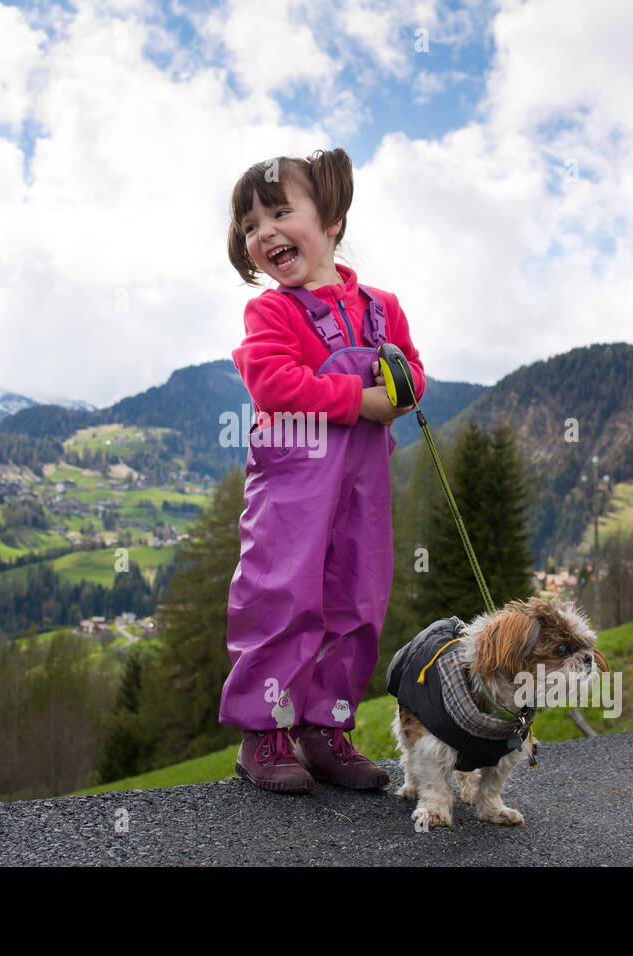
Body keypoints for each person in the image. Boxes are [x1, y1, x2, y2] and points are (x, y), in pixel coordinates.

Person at [220, 147, 426, 793]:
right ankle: (266, 734)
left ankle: (325, 729)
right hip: (291, 491)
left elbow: (414, 375)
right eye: (251, 225)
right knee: (283, 596)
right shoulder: (273, 312)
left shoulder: (382, 308)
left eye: (281, 212)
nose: (265, 232)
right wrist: (358, 400)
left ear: (331, 220)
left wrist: (401, 391)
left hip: (363, 487)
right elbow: (274, 383)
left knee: (358, 599)